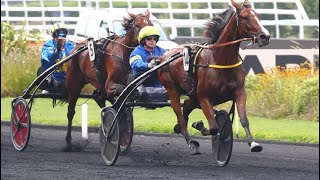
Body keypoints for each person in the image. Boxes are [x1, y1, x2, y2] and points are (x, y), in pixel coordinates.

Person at [129, 26, 168, 103]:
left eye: (155, 39)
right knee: (143, 95)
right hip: (142, 86)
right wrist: (148, 65)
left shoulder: (161, 50)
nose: (152, 41)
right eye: (149, 38)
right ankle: (145, 97)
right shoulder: (136, 52)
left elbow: (170, 59)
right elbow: (135, 63)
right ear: (143, 40)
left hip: (158, 86)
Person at [40, 22, 75, 93]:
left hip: (69, 79)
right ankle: (48, 87)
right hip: (54, 78)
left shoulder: (71, 45)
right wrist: (57, 51)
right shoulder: (48, 45)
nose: (61, 38)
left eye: (63, 35)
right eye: (58, 36)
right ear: (54, 36)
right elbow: (48, 59)